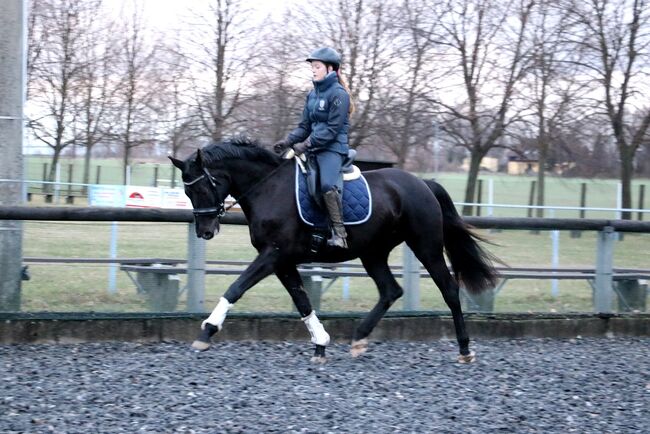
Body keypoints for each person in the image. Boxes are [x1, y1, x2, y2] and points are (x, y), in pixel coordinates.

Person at [274, 47, 354, 249]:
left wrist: (306, 144)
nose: (313, 70)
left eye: (317, 66)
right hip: (314, 148)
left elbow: (332, 129)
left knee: (327, 185)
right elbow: (305, 127)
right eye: (312, 67)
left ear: (330, 69)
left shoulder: (339, 94)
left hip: (333, 148)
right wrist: (288, 141)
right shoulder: (312, 95)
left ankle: (339, 233)